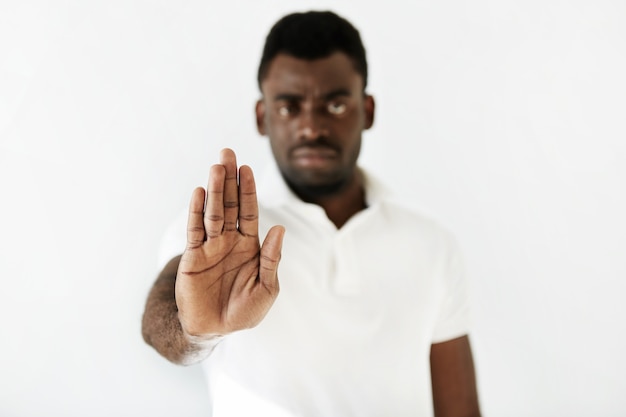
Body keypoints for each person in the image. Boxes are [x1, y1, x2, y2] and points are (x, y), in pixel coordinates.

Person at [142, 10, 481, 417]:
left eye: (335, 105)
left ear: (367, 110)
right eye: (289, 107)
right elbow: (162, 319)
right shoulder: (216, 235)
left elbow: (459, 408)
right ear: (262, 117)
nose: (311, 127)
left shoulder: (430, 244)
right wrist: (195, 329)